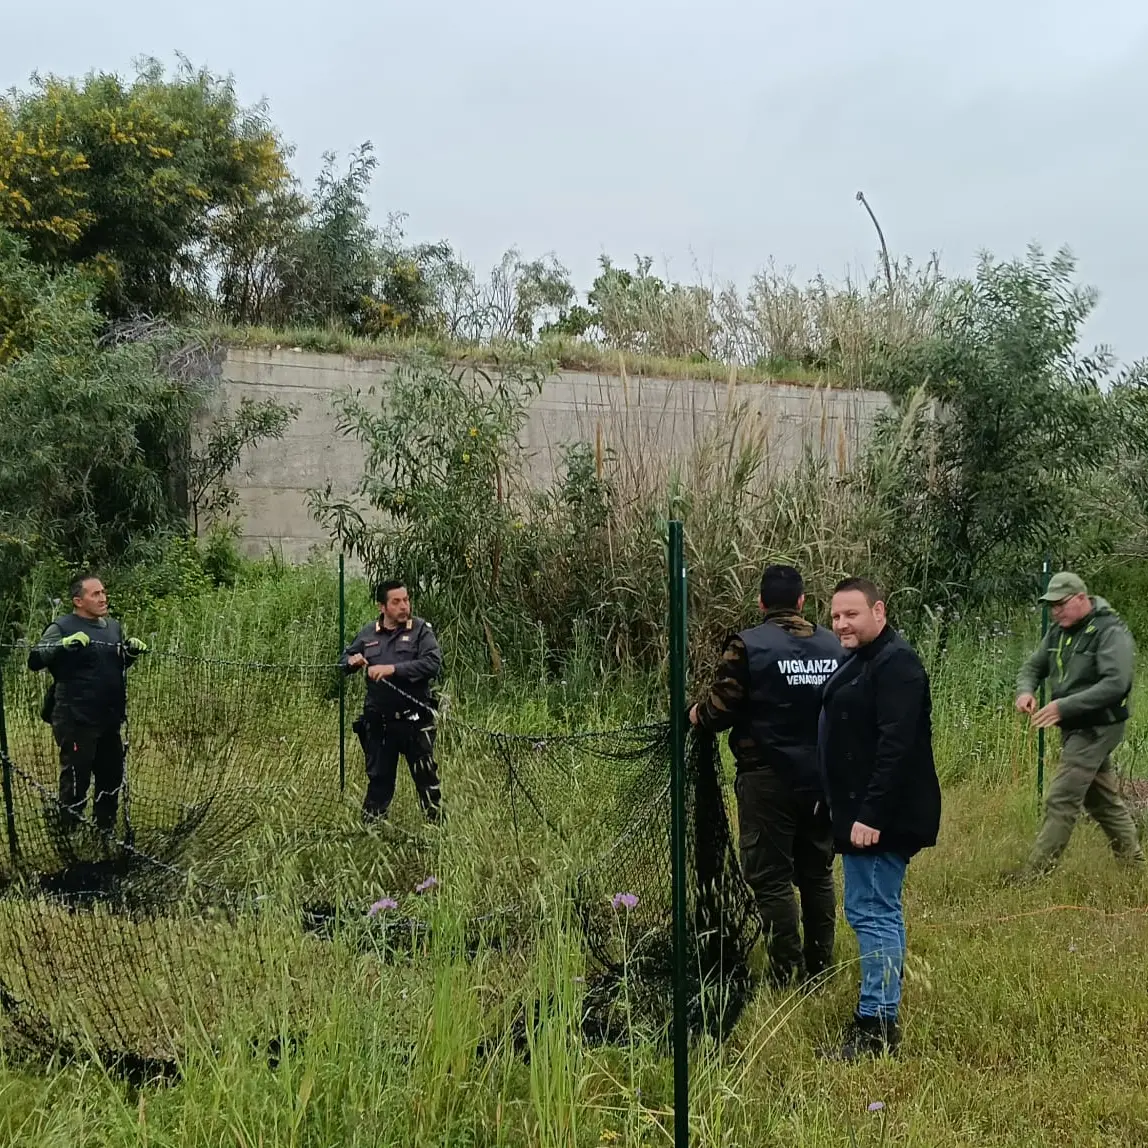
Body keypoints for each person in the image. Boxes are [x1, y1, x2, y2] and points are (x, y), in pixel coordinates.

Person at [689, 565, 844, 987]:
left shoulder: (747, 646)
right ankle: (821, 966)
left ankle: (785, 971)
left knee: (772, 876)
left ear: (760, 603)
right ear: (801, 602)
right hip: (823, 780)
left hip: (766, 779)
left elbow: (719, 712)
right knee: (817, 871)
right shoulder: (834, 646)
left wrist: (694, 715)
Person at [819, 577, 941, 1058]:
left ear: (879, 612)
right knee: (877, 911)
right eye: (835, 616)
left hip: (881, 817)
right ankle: (880, 1016)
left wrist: (871, 814)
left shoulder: (898, 664)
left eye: (851, 614)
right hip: (856, 808)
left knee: (871, 912)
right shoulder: (861, 659)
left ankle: (875, 1027)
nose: (841, 623)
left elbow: (898, 746)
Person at [1011, 571, 1144, 877]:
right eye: (1051, 606)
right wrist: (1025, 691)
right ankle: (1135, 869)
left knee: (1062, 798)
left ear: (1082, 598)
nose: (1056, 611)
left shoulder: (1110, 631)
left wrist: (1063, 706)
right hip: (1074, 726)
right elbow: (1033, 666)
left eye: (1061, 604)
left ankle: (1034, 875)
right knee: (1102, 801)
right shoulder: (1059, 632)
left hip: (1098, 727)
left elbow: (1116, 683)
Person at [27, 574, 147, 833]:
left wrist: (130, 654)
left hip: (109, 717)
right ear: (78, 601)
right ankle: (68, 831)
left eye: (103, 592)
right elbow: (35, 660)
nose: (103, 598)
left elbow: (112, 665)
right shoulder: (62, 627)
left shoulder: (113, 627)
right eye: (96, 594)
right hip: (75, 717)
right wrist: (61, 645)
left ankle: (105, 831)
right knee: (76, 777)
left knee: (111, 775)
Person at [341, 580, 443, 824]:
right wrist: (351, 661)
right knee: (379, 783)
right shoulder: (368, 633)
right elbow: (344, 658)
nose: (403, 606)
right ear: (382, 607)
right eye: (396, 602)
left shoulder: (420, 630)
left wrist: (392, 669)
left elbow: (432, 664)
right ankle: (370, 834)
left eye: (406, 600)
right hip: (380, 724)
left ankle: (437, 833)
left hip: (415, 722)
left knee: (427, 781)